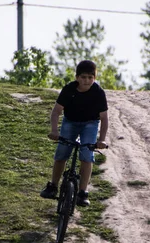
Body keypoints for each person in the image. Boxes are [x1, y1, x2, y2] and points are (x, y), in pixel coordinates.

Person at [40, 60, 108, 206]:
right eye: (83, 77)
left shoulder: (98, 93)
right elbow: (56, 111)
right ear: (77, 77)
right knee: (62, 152)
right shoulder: (69, 89)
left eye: (90, 77)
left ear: (94, 78)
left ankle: (82, 192)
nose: (87, 81)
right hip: (70, 122)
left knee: (86, 155)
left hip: (90, 124)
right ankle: (53, 186)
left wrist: (101, 140)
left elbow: (104, 118)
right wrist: (54, 131)